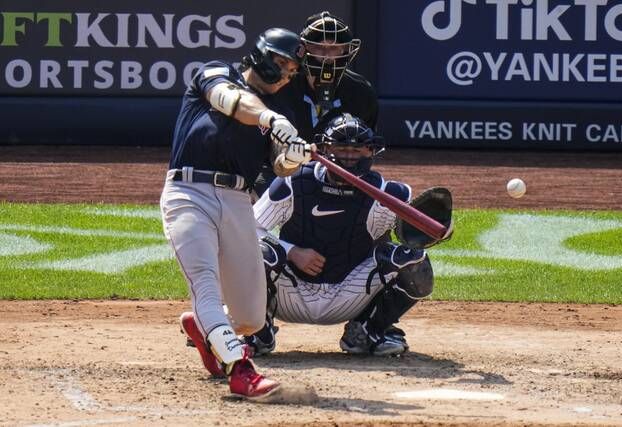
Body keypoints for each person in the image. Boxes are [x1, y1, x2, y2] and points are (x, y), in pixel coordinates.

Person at [160, 27, 314, 401]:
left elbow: (278, 166)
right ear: (262, 55)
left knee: (250, 317)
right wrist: (270, 121)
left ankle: (205, 331)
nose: (286, 75)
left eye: (293, 71)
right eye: (283, 64)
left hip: (238, 201)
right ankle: (241, 371)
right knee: (205, 285)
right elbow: (231, 102)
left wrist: (291, 159)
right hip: (188, 192)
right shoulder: (216, 73)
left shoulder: (284, 111)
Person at [246, 113, 439, 356]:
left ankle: (369, 331)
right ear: (325, 149)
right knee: (259, 251)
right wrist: (292, 252)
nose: (349, 156)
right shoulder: (293, 183)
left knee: (413, 258)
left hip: (349, 293)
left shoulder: (388, 194)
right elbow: (249, 228)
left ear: (370, 152)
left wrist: (438, 230)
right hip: (290, 292)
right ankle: (258, 331)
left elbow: (416, 236)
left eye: (357, 149)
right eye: (341, 148)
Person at [253, 11, 378, 196]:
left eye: (334, 48)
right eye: (319, 48)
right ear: (304, 49)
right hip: (276, 170)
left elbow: (365, 151)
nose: (327, 56)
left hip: (335, 176)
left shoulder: (361, 92)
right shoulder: (282, 84)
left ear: (346, 50)